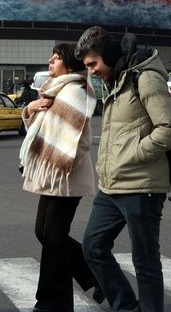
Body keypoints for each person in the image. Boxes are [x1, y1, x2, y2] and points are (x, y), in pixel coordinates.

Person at [74, 26, 171, 312]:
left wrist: (135, 154)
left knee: (145, 261)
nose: (92, 71)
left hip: (142, 187)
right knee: (93, 247)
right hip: (111, 187)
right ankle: (126, 306)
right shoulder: (116, 81)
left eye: (93, 63)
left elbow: (169, 127)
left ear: (108, 55)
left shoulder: (144, 78)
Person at [19, 44, 102, 312]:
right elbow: (43, 131)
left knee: (53, 235)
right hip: (52, 173)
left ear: (68, 64)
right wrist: (30, 109)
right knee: (44, 233)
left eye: (55, 58)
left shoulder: (76, 91)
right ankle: (96, 276)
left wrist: (61, 166)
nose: (50, 62)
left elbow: (77, 140)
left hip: (65, 175)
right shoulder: (55, 90)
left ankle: (53, 302)